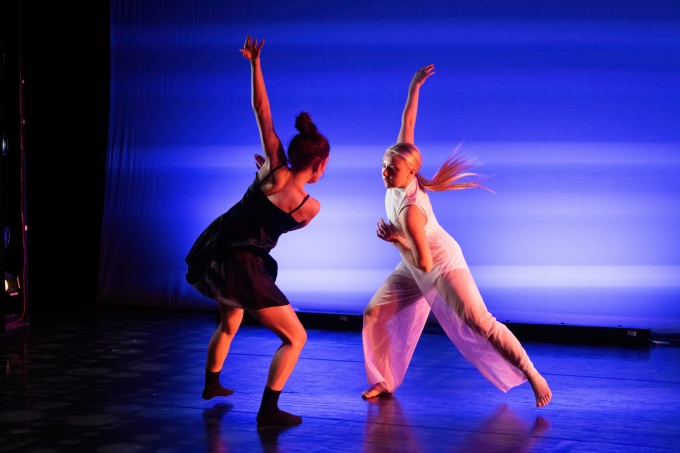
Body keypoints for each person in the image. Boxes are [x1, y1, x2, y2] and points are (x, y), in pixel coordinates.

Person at [361, 64, 551, 408]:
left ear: (411, 172)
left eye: (392, 169)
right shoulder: (401, 168)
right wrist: (415, 86)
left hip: (440, 262)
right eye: (384, 166)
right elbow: (408, 121)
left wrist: (395, 241)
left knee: (481, 323)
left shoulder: (411, 210)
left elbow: (425, 263)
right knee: (374, 313)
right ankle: (383, 380)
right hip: (414, 258)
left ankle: (532, 373)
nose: (385, 172)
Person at [185, 34, 330, 427]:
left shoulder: (271, 169)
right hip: (244, 265)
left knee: (229, 320)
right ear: (319, 165)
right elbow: (279, 223)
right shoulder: (309, 207)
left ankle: (211, 384)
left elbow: (262, 111)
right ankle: (268, 410)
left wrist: (254, 63)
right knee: (296, 338)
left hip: (217, 249)